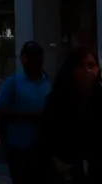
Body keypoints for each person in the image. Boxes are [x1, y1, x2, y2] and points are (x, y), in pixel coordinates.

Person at [40, 46, 102, 182]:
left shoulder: (99, 98)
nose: (87, 70)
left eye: (91, 65)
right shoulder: (57, 99)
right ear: (71, 69)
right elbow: (46, 135)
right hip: (67, 169)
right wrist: (55, 161)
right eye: (81, 65)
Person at [0, 41, 50, 184]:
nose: (32, 61)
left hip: (43, 149)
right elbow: (0, 111)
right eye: (28, 57)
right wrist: (29, 117)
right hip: (19, 149)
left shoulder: (48, 84)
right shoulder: (13, 82)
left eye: (35, 57)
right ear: (23, 59)